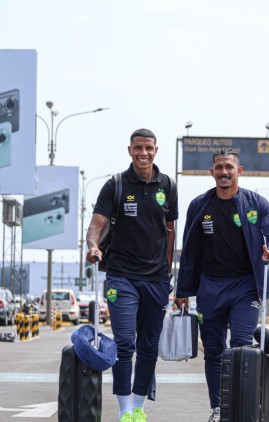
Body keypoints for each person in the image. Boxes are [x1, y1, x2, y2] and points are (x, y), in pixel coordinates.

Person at [175, 147, 269, 422]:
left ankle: (241, 408)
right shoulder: (199, 205)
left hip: (246, 286)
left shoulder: (256, 203)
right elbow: (189, 250)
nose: (224, 172)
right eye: (219, 168)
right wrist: (183, 291)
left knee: (240, 346)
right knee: (213, 351)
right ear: (212, 172)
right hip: (209, 288)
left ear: (239, 171)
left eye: (229, 167)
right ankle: (218, 410)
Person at [86, 128, 177, 422]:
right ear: (129, 150)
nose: (143, 153)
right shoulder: (115, 185)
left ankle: (139, 408)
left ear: (156, 150)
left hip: (156, 281)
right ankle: (124, 411)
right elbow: (97, 224)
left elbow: (170, 231)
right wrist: (93, 246)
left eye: (148, 148)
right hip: (121, 277)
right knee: (125, 343)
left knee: (149, 346)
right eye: (138, 148)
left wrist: (169, 272)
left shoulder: (168, 186)